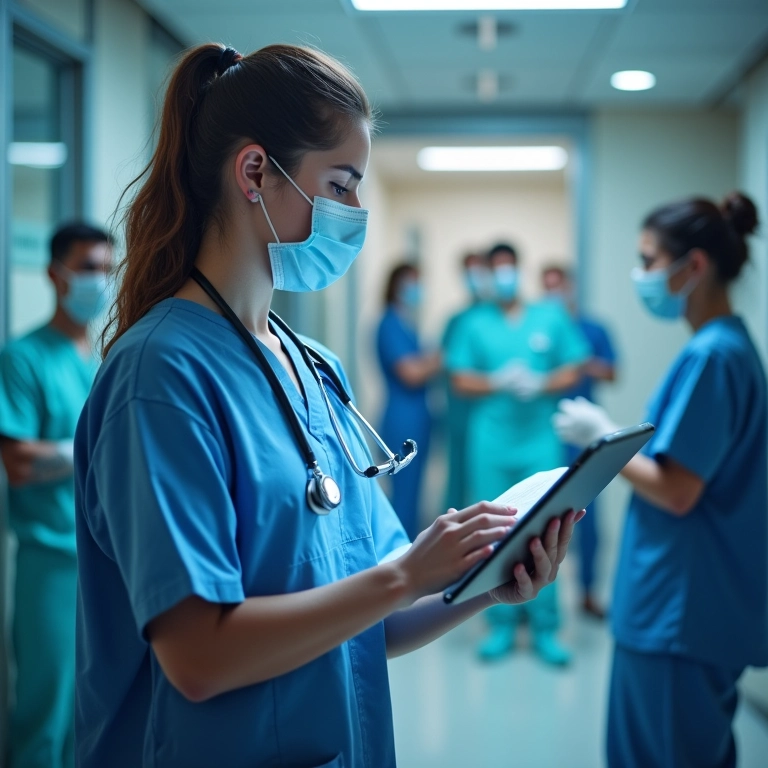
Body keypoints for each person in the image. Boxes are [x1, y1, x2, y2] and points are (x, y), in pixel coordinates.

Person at [72, 44, 582, 768]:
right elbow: (198, 656)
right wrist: (406, 574)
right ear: (255, 172)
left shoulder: (315, 367)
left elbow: (375, 616)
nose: (355, 211)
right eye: (341, 185)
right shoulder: (161, 377)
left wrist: (484, 584)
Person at [554, 192, 767, 768]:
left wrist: (603, 437)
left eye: (648, 261)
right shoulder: (726, 349)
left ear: (693, 267)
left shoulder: (714, 358)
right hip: (694, 605)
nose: (640, 275)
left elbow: (677, 490)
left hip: (681, 611)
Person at [0, 223, 112, 768]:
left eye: (107, 270)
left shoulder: (109, 359)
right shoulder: (23, 358)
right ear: (54, 273)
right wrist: (88, 448)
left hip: (108, 562)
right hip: (52, 563)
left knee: (95, 718)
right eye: (88, 267)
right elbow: (18, 463)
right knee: (45, 719)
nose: (99, 281)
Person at [448, 243, 589, 666]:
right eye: (498, 269)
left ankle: (546, 626)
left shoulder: (549, 316)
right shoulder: (473, 322)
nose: (505, 274)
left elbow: (575, 365)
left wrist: (543, 382)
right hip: (490, 441)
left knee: (549, 527)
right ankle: (500, 625)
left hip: (538, 441)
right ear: (490, 274)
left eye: (511, 266)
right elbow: (458, 379)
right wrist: (496, 382)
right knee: (494, 532)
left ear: (519, 270)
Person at [542, 265, 617, 619]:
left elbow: (612, 371)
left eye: (558, 287)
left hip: (586, 436)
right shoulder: (541, 329)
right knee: (543, 515)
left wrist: (580, 362)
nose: (554, 295)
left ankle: (587, 592)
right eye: (547, 289)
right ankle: (537, 601)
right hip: (548, 433)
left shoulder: (593, 329)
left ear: (571, 287)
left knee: (589, 516)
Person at [376, 263, 441, 539]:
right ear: (396, 286)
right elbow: (410, 374)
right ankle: (398, 558)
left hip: (419, 417)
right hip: (402, 419)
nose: (417, 289)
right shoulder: (389, 324)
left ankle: (411, 554)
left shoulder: (408, 325)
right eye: (411, 282)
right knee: (403, 496)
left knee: (414, 495)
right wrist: (442, 358)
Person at [441, 252, 494, 511]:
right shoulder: (456, 320)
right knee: (458, 480)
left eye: (479, 270)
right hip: (460, 414)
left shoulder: (498, 316)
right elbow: (448, 369)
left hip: (494, 416)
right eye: (468, 271)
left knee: (491, 483)